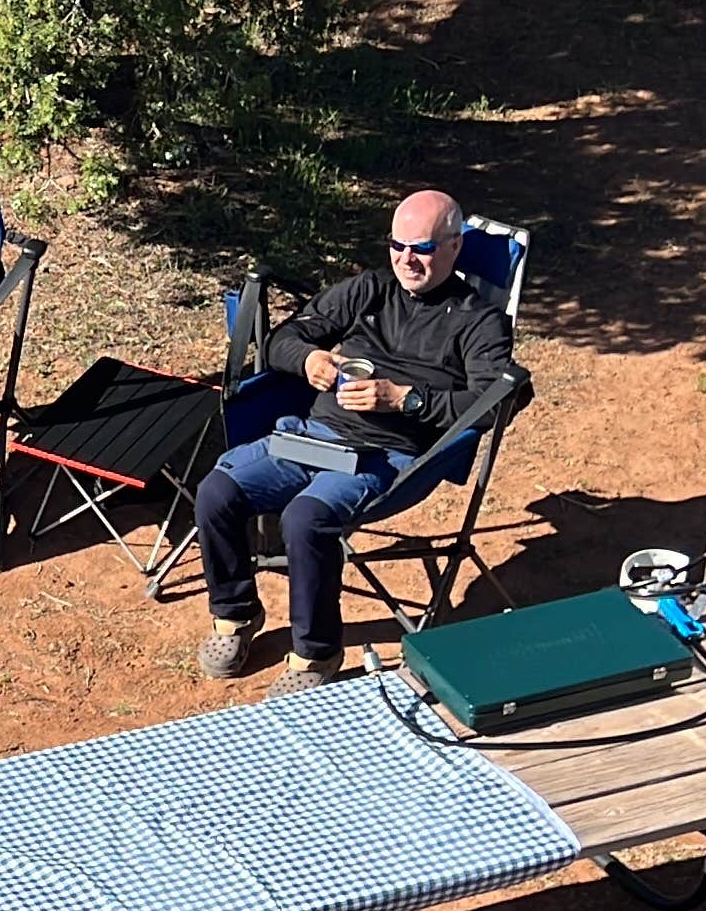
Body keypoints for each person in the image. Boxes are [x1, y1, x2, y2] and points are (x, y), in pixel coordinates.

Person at [193, 190, 526, 686]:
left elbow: (500, 400)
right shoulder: (369, 289)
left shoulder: (479, 320)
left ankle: (316, 655)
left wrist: (405, 400)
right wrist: (308, 360)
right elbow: (285, 337)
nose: (406, 259)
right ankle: (236, 614)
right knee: (216, 491)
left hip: (388, 457)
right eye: (397, 245)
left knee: (306, 518)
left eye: (422, 248)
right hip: (311, 435)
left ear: (455, 247)